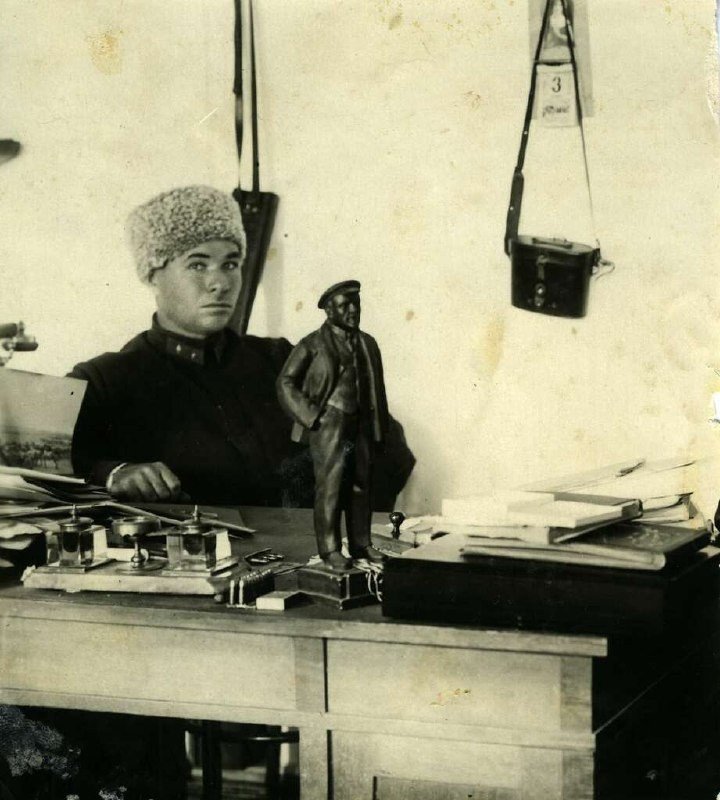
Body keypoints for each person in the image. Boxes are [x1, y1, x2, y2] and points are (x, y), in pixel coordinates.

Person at [69, 185, 414, 510]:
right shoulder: (102, 382)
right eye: (198, 264)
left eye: (231, 264)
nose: (220, 283)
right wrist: (112, 474)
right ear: (152, 274)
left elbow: (388, 446)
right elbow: (46, 472)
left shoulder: (281, 359)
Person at [276, 280, 391, 572]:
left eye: (356, 304)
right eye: (344, 305)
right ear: (329, 311)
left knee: (361, 485)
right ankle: (330, 549)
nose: (353, 310)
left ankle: (361, 544)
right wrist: (312, 416)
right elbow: (285, 383)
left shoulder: (368, 343)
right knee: (331, 487)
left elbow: (376, 388)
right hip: (330, 424)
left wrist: (379, 427)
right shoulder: (311, 344)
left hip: (362, 423)